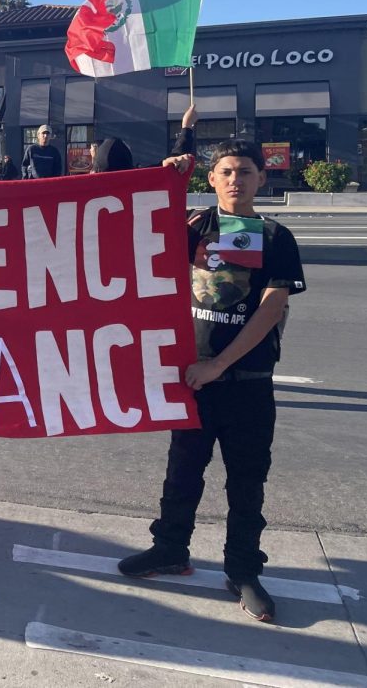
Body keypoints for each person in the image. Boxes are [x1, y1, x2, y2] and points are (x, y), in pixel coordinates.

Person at [118, 139, 306, 624]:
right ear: (211, 178)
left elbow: (271, 307)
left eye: (245, 171)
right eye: (225, 171)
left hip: (246, 380)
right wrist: (167, 175)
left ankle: (242, 570)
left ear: (262, 178)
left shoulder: (274, 235)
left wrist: (219, 365)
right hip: (192, 380)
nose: (235, 179)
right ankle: (169, 549)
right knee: (182, 472)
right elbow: (138, 236)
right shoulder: (193, 227)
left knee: (246, 483)